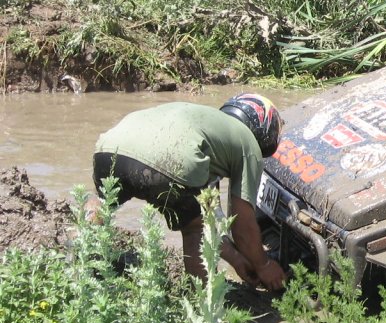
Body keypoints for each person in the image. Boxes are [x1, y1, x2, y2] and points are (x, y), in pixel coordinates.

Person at [91, 94, 287, 290]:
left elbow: (212, 217)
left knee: (102, 203)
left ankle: (79, 257)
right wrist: (264, 265)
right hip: (170, 159)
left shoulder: (208, 126)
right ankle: (201, 302)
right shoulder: (248, 144)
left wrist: (236, 259)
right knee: (195, 230)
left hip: (109, 147)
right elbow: (242, 227)